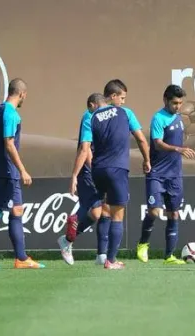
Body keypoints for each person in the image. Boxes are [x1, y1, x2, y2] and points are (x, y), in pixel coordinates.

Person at [66, 79, 150, 269]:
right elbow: (141, 140)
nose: (123, 102)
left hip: (97, 170)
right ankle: (111, 260)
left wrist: (74, 175)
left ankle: (102, 256)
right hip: (117, 169)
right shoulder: (126, 113)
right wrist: (147, 160)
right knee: (117, 215)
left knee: (103, 210)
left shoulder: (92, 117)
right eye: (122, 97)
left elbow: (84, 147)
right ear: (112, 97)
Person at [0, 78, 45, 269]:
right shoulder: (11, 113)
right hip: (7, 172)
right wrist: (22, 170)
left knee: (16, 210)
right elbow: (9, 143)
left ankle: (21, 258)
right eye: (25, 96)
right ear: (21, 94)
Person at [136, 85, 195, 264]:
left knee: (174, 214)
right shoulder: (158, 118)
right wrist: (178, 149)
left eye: (180, 103)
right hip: (157, 173)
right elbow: (157, 143)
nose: (177, 106)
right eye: (174, 102)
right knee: (154, 211)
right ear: (165, 100)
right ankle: (143, 244)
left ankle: (169, 256)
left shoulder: (178, 118)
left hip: (175, 175)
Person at [58, 93, 107, 265]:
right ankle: (70, 234)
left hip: (97, 169)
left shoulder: (101, 117)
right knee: (92, 210)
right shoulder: (89, 117)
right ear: (92, 105)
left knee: (96, 212)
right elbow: (85, 149)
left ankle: (67, 240)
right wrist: (75, 175)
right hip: (87, 171)